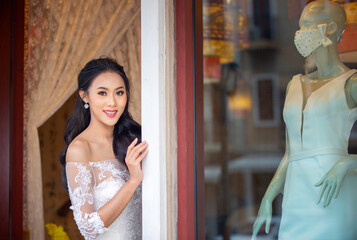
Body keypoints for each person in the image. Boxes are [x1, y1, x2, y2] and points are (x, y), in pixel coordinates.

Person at [252, 1, 357, 239]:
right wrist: (268, 197)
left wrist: (346, 163)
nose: (300, 34)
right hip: (295, 195)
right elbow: (291, 153)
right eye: (300, 26)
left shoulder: (351, 83)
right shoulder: (294, 84)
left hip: (333, 193)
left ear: (329, 28)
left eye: (307, 25)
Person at [59, 58, 148, 240]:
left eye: (119, 92)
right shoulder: (79, 149)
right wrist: (133, 181)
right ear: (85, 96)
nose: (112, 103)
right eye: (102, 93)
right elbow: (89, 228)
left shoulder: (135, 139)